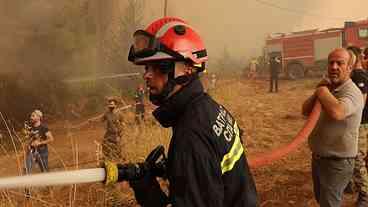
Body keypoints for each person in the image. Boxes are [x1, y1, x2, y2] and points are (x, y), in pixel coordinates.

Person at [126, 17, 257, 207]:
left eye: (160, 67)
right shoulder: (209, 108)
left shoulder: (191, 136)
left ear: (187, 68)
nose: (147, 74)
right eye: (147, 67)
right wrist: (174, 169)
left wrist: (147, 189)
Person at [302, 48, 364, 207]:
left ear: (349, 68)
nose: (334, 67)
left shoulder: (352, 92)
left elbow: (338, 112)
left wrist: (322, 91)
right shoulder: (330, 88)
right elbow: (305, 110)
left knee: (329, 203)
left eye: (340, 63)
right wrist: (319, 91)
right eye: (331, 63)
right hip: (319, 158)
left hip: (338, 162)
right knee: (322, 200)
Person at [347, 46, 368, 206]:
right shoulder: (353, 75)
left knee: (357, 158)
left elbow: (360, 102)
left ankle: (365, 194)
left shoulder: (360, 75)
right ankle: (352, 184)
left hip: (360, 124)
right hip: (355, 124)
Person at [101, 97, 124, 206]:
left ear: (116, 105)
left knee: (118, 153)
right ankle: (108, 165)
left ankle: (118, 168)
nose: (110, 105)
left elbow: (123, 124)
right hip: (108, 135)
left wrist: (120, 134)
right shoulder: (107, 113)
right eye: (109, 104)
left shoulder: (119, 113)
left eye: (112, 104)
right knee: (106, 150)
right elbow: (101, 120)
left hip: (116, 136)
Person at [24, 110, 54, 174]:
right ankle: (27, 183)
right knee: (27, 170)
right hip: (31, 151)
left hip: (42, 151)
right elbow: (29, 139)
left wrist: (40, 143)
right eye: (31, 116)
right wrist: (28, 146)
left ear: (38, 117)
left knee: (44, 170)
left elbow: (51, 139)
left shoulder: (43, 127)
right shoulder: (30, 128)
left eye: (33, 116)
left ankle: (48, 183)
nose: (31, 117)